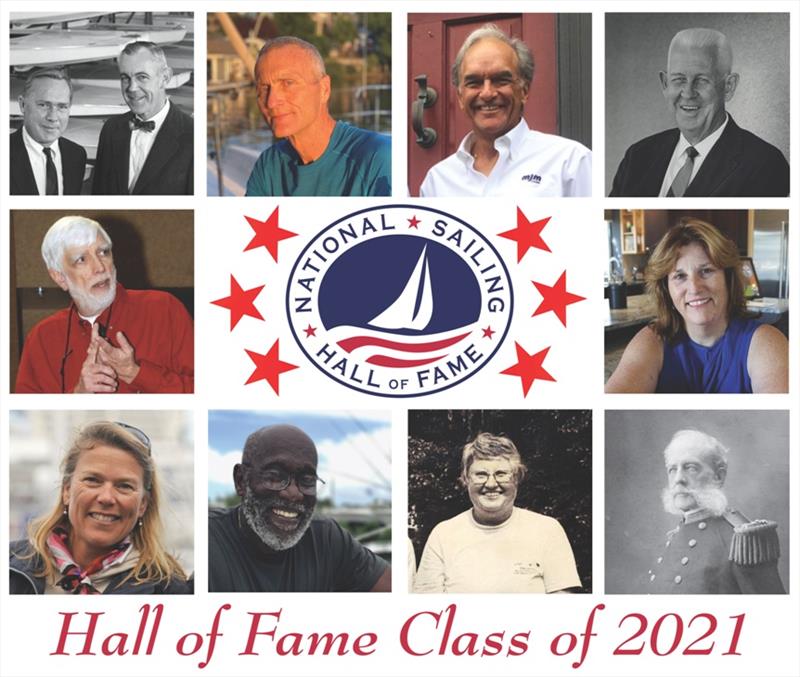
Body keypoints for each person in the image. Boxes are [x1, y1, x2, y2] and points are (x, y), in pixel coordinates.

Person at [605, 218, 788, 393]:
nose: (694, 287)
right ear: (666, 289)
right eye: (680, 276)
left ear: (728, 279)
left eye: (706, 271)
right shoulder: (652, 341)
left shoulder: (766, 342)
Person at [15, 216, 194, 394]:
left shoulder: (164, 309)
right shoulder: (42, 338)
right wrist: (78, 396)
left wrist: (136, 373)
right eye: (81, 260)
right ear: (59, 277)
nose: (100, 267)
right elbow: (27, 418)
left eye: (103, 252)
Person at [10, 421, 191, 594]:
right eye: (92, 480)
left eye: (124, 486)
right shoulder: (11, 567)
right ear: (66, 491)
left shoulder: (169, 591)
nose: (106, 498)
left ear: (143, 504)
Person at [208, 424, 391, 592]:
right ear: (241, 481)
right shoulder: (210, 538)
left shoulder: (326, 538)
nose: (294, 493)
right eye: (275, 477)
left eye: (307, 480)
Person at [609, 28, 789, 197]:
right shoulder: (638, 157)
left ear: (728, 86)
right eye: (679, 79)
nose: (688, 93)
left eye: (702, 80)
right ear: (665, 84)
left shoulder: (765, 164)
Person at [419, 24, 591, 197]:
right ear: (460, 97)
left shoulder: (570, 163)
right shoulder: (437, 182)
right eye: (474, 82)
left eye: (500, 80)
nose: (487, 93)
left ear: (524, 90)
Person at [413, 432, 581, 593]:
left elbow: (563, 605)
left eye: (501, 474)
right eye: (481, 474)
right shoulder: (443, 535)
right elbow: (428, 610)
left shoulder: (547, 530)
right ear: (466, 479)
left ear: (517, 478)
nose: (491, 483)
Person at [245, 36, 391, 197]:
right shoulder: (269, 165)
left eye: (288, 83)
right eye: (264, 88)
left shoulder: (379, 158)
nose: (271, 102)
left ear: (324, 89)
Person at [643, 429, 784, 594]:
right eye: (673, 469)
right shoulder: (675, 536)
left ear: (718, 476)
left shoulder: (741, 540)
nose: (678, 479)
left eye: (691, 468)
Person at [92, 41, 193, 195]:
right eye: (125, 78)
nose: (132, 88)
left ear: (165, 77)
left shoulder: (192, 135)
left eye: (142, 77)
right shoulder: (111, 129)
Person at [11, 68, 87, 195]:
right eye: (43, 105)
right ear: (23, 105)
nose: (52, 117)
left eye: (62, 107)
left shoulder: (76, 155)